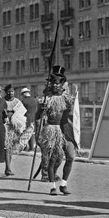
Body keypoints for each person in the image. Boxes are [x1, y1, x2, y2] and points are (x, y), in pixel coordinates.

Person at [36, 66, 78, 195]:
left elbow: (72, 114)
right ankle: (53, 186)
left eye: (58, 83)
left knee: (70, 156)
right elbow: (37, 116)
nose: (56, 86)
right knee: (54, 159)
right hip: (52, 130)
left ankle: (63, 184)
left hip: (65, 129)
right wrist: (42, 109)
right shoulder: (46, 99)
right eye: (53, 83)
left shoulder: (67, 99)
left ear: (62, 85)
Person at [2, 84, 27, 176]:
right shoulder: (2, 101)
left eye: (12, 91)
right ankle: (1, 167)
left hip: (12, 127)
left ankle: (7, 168)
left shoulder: (17, 102)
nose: (10, 93)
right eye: (8, 91)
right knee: (5, 148)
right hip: (3, 125)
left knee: (9, 148)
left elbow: (22, 113)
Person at [20, 87, 38, 152]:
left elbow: (21, 111)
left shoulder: (24, 101)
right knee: (32, 132)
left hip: (26, 118)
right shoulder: (35, 100)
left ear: (24, 94)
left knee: (25, 133)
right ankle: (31, 147)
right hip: (33, 117)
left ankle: (25, 147)